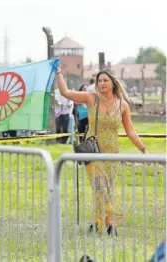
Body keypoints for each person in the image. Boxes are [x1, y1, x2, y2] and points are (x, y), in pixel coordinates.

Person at [56, 66, 149, 235]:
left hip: (112, 153)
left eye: (105, 80)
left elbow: (131, 131)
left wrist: (143, 149)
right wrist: (59, 73)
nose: (102, 83)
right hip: (94, 152)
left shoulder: (123, 106)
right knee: (100, 186)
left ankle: (99, 225)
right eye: (99, 81)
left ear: (113, 83)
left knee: (106, 188)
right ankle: (110, 223)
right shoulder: (91, 98)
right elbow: (65, 92)